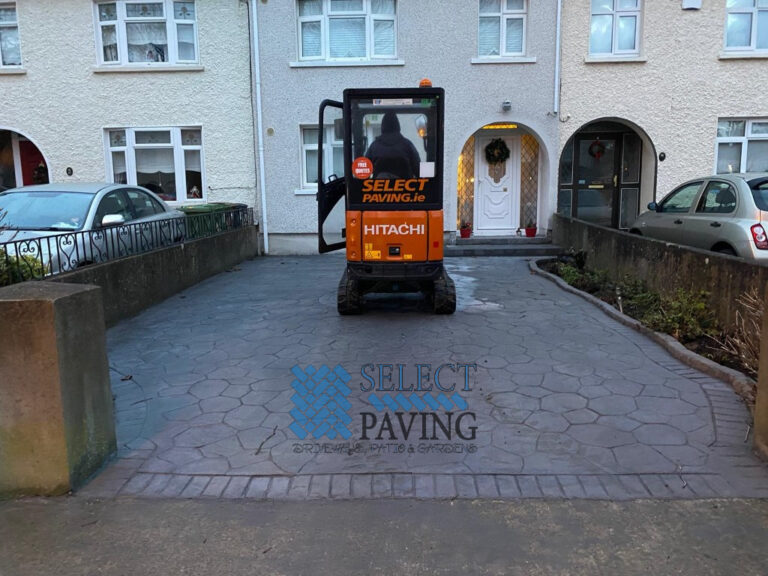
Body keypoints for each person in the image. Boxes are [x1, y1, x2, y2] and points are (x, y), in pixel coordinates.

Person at [365, 111, 421, 179]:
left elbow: (365, 170)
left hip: (379, 187)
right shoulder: (407, 145)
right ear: (398, 126)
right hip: (405, 188)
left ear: (383, 127)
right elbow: (418, 170)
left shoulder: (374, 147)